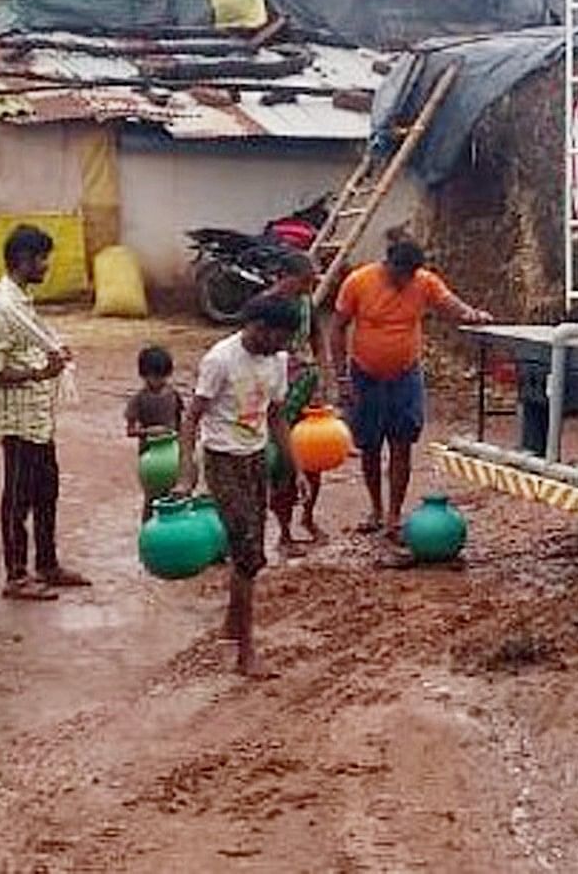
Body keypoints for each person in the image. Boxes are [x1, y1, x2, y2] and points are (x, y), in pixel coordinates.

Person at [328, 235, 492, 551]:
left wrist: (473, 314)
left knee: (402, 443)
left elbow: (450, 304)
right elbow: (337, 327)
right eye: (400, 274)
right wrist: (341, 377)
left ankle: (393, 516)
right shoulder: (358, 282)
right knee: (370, 446)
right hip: (365, 374)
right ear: (388, 265)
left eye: (410, 276)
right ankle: (375, 509)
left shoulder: (424, 282)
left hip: (405, 375)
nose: (405, 281)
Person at [173, 295, 300, 678]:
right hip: (223, 459)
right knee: (247, 555)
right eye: (280, 336)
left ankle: (233, 628)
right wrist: (186, 472)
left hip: (257, 457)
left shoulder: (277, 360)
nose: (284, 345)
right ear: (258, 326)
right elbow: (191, 417)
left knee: (250, 549)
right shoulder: (220, 359)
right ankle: (246, 654)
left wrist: (292, 467)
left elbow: (275, 415)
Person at [0, 225, 91, 602]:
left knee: (46, 491)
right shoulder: (0, 306)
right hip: (19, 420)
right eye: (42, 258)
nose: (46, 265)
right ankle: (16, 575)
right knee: (18, 496)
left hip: (38, 417)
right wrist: (41, 373)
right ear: (23, 260)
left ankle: (47, 564)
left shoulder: (19, 300)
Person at [265, 251, 327, 552]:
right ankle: (284, 531)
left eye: (311, 283)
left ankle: (308, 517)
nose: (308, 288)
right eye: (304, 282)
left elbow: (317, 337)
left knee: (313, 454)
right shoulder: (265, 307)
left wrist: (323, 378)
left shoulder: (306, 303)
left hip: (306, 384)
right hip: (277, 392)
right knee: (282, 462)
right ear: (285, 276)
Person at [124, 346, 183, 524]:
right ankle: (148, 532)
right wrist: (149, 431)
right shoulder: (138, 399)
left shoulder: (174, 395)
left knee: (177, 497)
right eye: (154, 376)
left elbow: (180, 423)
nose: (158, 381)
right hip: (150, 458)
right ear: (143, 374)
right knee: (151, 500)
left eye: (162, 376)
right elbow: (130, 430)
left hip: (173, 455)